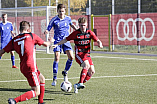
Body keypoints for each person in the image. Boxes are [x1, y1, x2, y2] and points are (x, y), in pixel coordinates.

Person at [0, 21, 54, 104]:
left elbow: (2, 51)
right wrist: (51, 41)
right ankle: (14, 100)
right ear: (29, 29)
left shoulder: (14, 40)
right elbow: (46, 44)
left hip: (23, 66)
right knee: (36, 91)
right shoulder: (32, 36)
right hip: (31, 66)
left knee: (42, 78)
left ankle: (40, 102)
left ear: (19, 29)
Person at [52, 17, 103, 93]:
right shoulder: (76, 34)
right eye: (81, 25)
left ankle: (78, 84)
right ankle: (81, 83)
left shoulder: (89, 33)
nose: (83, 27)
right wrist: (57, 44)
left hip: (87, 55)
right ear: (78, 25)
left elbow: (97, 40)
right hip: (79, 54)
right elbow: (66, 39)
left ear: (86, 25)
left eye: (84, 25)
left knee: (92, 71)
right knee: (86, 65)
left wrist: (99, 43)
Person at [44, 4, 77, 86]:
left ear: (65, 11)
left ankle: (65, 72)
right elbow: (48, 28)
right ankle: (54, 78)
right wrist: (47, 32)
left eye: (63, 11)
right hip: (57, 41)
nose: (61, 13)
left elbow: (72, 25)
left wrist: (77, 30)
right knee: (57, 57)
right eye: (60, 11)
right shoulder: (54, 19)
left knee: (71, 57)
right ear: (57, 11)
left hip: (66, 40)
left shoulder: (68, 19)